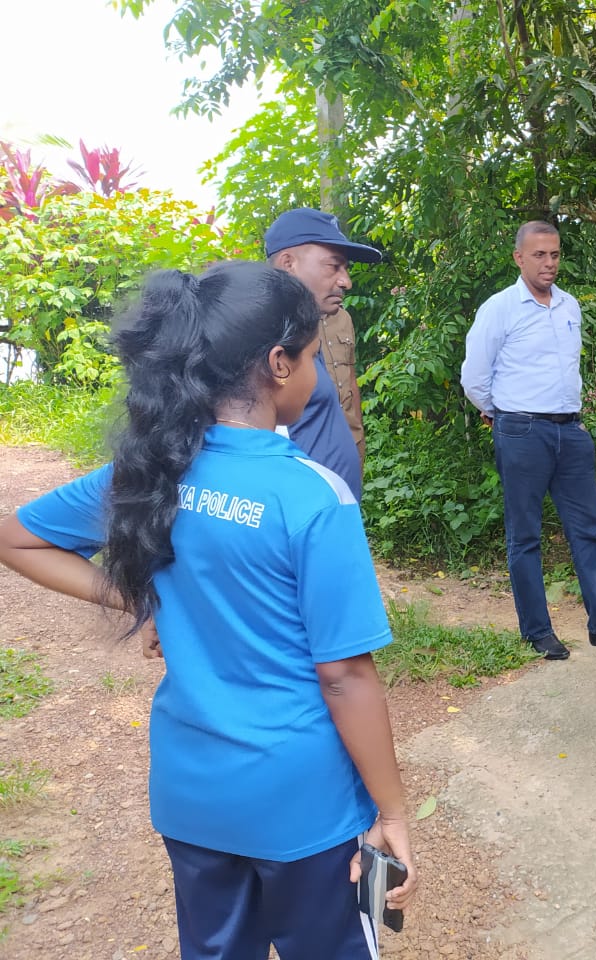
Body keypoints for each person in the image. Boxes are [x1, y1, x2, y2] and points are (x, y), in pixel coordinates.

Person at [0, 262, 416, 959]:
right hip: (302, 805)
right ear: (279, 365)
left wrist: (141, 594)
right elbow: (343, 675)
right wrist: (395, 811)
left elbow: (14, 535)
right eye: (313, 356)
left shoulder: (151, 471)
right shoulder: (312, 495)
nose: (315, 371)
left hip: (192, 796)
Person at [460, 221, 596, 660]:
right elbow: (474, 378)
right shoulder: (500, 308)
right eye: (539, 255)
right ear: (519, 258)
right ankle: (537, 631)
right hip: (522, 430)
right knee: (525, 536)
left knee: (589, 529)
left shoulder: (569, 306)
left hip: (571, 430)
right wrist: (502, 414)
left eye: (554, 254)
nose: (549, 263)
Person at [266, 207, 383, 498]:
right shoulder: (265, 340)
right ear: (288, 263)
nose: (346, 282)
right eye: (333, 266)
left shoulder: (302, 332)